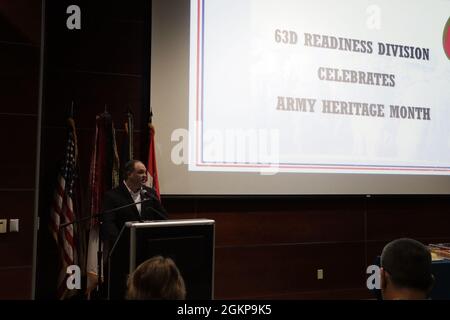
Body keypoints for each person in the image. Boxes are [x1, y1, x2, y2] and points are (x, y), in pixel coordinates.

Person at [101, 159, 168, 258]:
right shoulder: (112, 196)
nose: (145, 175)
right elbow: (109, 224)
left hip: (148, 250)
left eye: (145, 172)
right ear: (129, 174)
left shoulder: (150, 194)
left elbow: (164, 217)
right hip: (123, 252)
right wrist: (120, 245)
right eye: (140, 172)